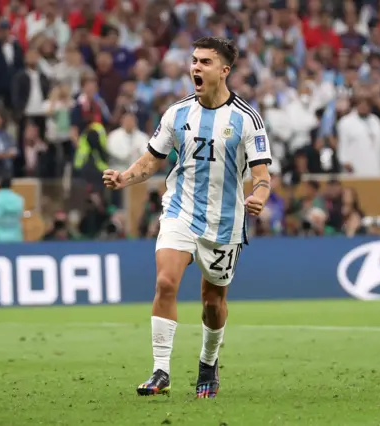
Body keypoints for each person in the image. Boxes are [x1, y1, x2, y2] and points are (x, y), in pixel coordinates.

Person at [103, 37, 272, 399]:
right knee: (165, 282)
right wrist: (124, 177)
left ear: (224, 70)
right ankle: (160, 371)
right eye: (194, 60)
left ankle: (208, 364)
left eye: (206, 62)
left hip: (225, 222)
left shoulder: (247, 118)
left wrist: (258, 195)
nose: (196, 67)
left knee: (212, 302)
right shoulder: (176, 113)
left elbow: (262, 175)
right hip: (180, 210)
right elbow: (151, 161)